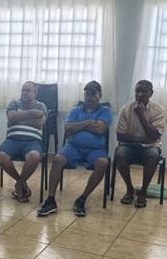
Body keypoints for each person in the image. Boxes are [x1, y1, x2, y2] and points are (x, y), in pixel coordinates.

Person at [38, 81, 112, 218]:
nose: (89, 97)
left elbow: (101, 129)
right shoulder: (75, 110)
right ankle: (51, 200)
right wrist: (89, 122)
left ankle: (82, 199)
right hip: (73, 147)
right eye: (87, 94)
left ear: (99, 95)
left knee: (103, 163)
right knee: (57, 159)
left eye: (92, 94)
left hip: (96, 149)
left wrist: (78, 126)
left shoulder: (105, 111)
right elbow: (67, 128)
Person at [113, 80, 167, 208]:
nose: (140, 94)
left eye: (144, 91)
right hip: (129, 146)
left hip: (150, 147)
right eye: (137, 91)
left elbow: (155, 136)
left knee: (153, 156)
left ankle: (143, 191)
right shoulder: (126, 109)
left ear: (151, 93)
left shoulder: (158, 110)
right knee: (119, 155)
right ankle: (129, 189)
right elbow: (120, 136)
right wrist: (143, 139)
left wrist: (141, 115)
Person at [0, 81, 47, 202]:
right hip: (12, 140)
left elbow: (39, 124)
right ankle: (22, 183)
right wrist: (31, 114)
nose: (24, 93)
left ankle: (19, 184)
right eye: (23, 90)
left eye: (28, 90)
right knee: (1, 156)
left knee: (34, 156)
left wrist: (19, 119)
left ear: (35, 93)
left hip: (33, 141)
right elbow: (11, 117)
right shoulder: (14, 103)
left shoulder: (41, 106)